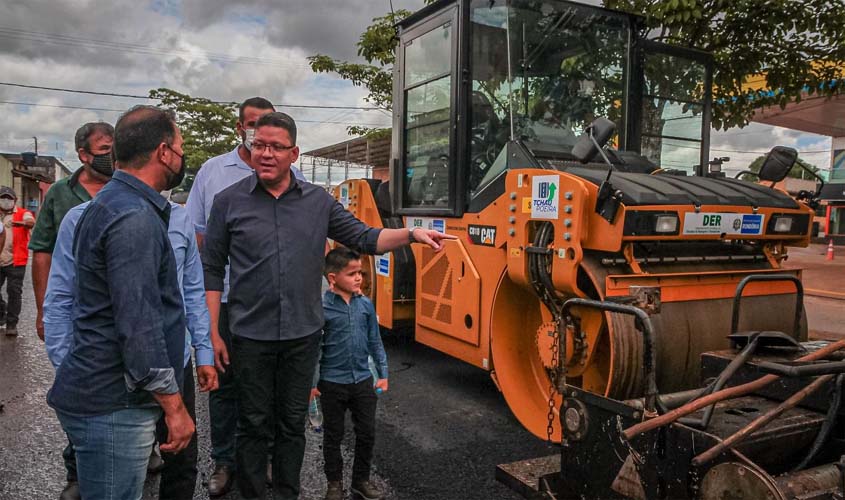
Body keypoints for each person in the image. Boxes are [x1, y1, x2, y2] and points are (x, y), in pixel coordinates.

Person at [201, 111, 455, 500]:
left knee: (291, 424)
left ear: (294, 153)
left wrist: (411, 233)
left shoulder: (318, 202)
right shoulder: (227, 202)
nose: (265, 153)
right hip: (248, 335)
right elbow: (212, 270)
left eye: (276, 147)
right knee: (252, 424)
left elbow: (365, 236)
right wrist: (212, 334)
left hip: (303, 336)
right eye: (259, 145)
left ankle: (287, 493)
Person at [47, 106, 195, 500]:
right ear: (164, 152)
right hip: (115, 405)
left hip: (105, 397)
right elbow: (139, 324)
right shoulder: (133, 217)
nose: (182, 155)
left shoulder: (113, 204)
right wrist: (175, 409)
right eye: (180, 146)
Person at [44, 194, 218, 499]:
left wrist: (203, 352)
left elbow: (191, 289)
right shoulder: (82, 218)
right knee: (116, 474)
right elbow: (61, 297)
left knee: (182, 456)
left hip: (172, 360)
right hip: (112, 368)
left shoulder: (179, 219)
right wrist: (67, 364)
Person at [186, 96, 305, 496]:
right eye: (254, 127)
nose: (261, 138)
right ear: (242, 129)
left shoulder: (293, 175)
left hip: (272, 308)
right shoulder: (213, 172)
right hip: (226, 301)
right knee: (224, 385)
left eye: (268, 129)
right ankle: (224, 460)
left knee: (267, 394)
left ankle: (266, 458)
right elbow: (201, 238)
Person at [30, 122, 114, 500]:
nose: (110, 155)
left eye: (114, 147)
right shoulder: (62, 195)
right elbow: (43, 251)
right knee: (77, 390)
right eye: (103, 148)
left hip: (118, 309)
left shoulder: (125, 187)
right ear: (83, 154)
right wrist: (45, 310)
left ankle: (139, 450)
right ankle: (78, 470)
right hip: (77, 312)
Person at [313, 248, 389, 500]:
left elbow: (375, 341)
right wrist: (312, 383)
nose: (359, 278)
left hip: (362, 381)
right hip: (332, 382)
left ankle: (361, 481)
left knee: (367, 432)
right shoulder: (321, 308)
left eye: (360, 273)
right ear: (333, 278)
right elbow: (315, 350)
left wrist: (383, 372)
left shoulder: (365, 305)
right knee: (333, 436)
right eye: (352, 273)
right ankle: (334, 483)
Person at [0, 186, 34, 336]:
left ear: (15, 200)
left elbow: (30, 221)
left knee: (14, 292)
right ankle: (2, 312)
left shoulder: (22, 213)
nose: (6, 201)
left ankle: (11, 323)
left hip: (16, 261)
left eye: (9, 198)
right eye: (3, 198)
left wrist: (23, 223)